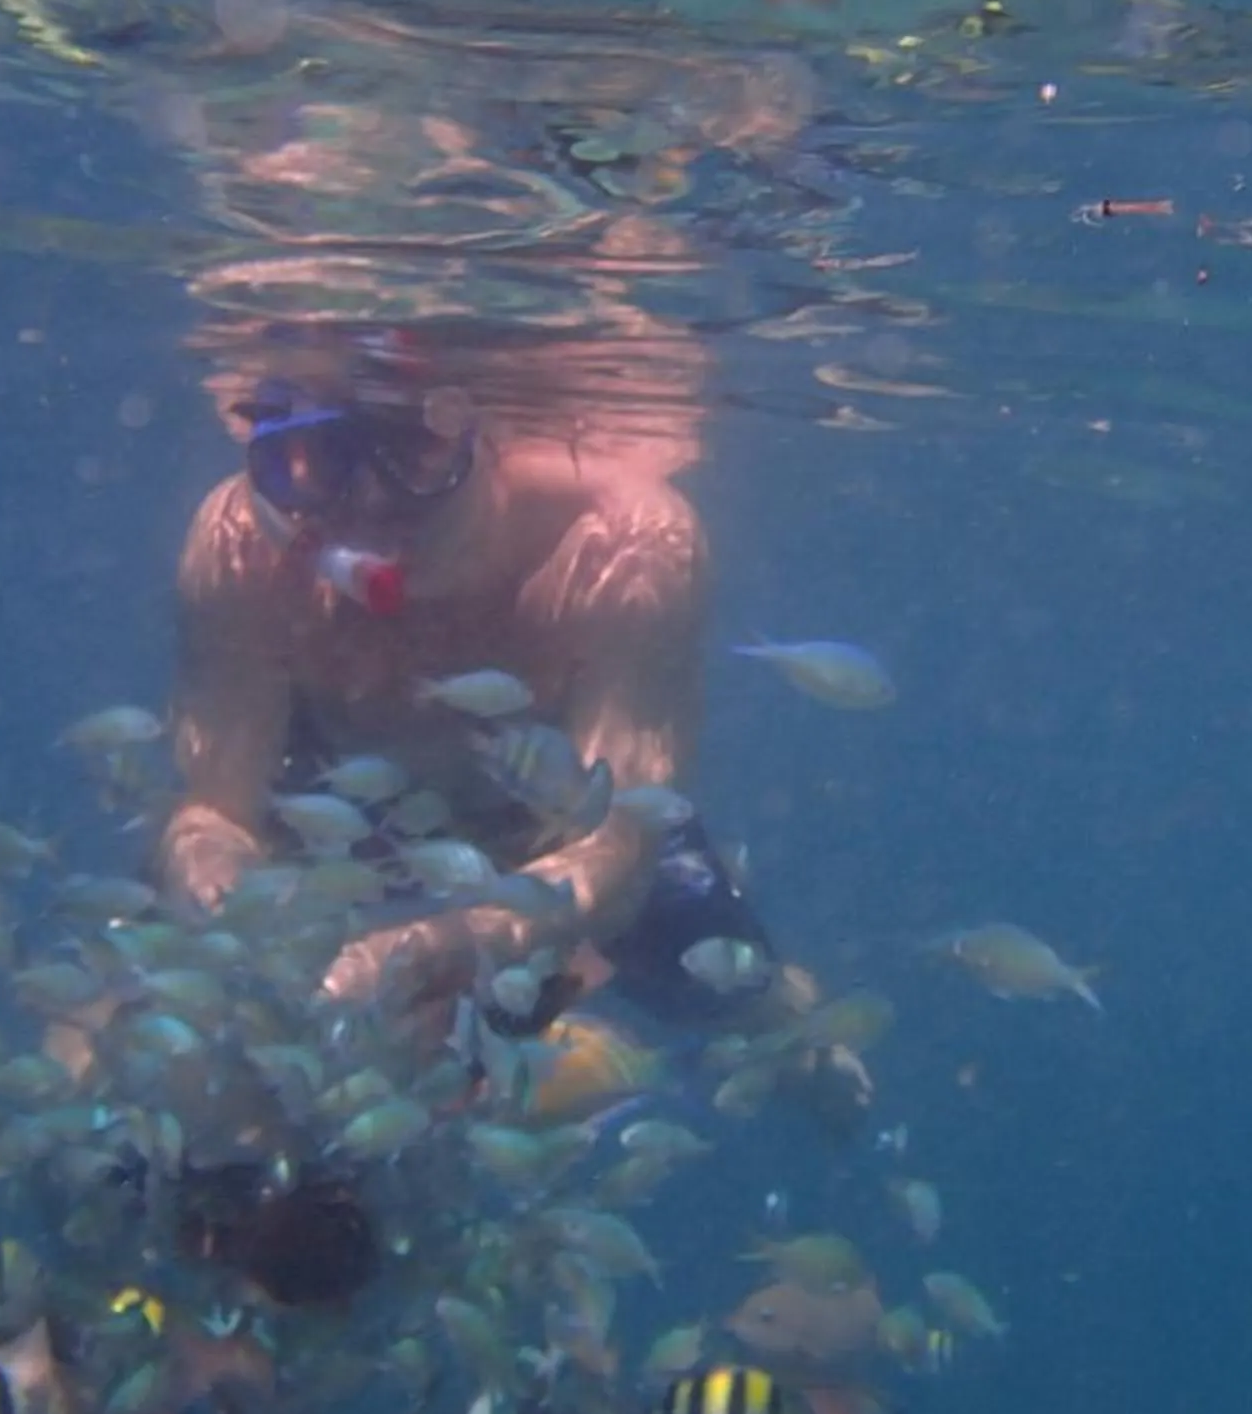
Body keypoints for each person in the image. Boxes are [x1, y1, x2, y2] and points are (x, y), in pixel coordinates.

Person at [154, 326, 852, 1102]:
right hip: (330, 819)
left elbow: (619, 842)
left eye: (414, 451)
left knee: (750, 1002)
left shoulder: (623, 539)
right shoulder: (241, 550)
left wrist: (480, 937)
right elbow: (214, 811)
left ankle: (799, 1042)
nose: (371, 507)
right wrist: (242, 911)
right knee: (138, 1049)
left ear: (479, 434)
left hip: (565, 840)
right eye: (314, 467)